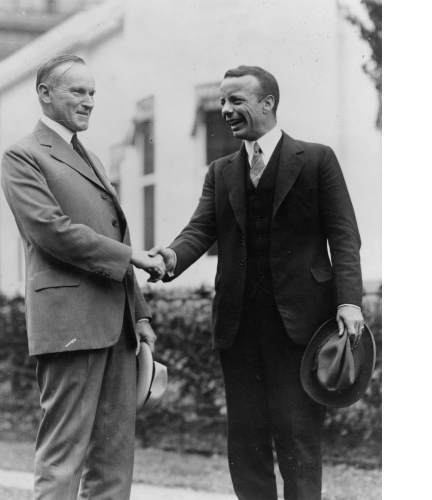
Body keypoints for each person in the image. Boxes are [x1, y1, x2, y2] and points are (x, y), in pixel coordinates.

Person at [149, 65, 364, 500]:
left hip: (301, 331)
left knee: (298, 439)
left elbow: (344, 237)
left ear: (268, 103)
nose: (225, 109)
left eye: (236, 100)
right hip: (239, 329)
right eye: (223, 101)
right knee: (245, 443)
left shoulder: (316, 159)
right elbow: (198, 231)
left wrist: (350, 302)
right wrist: (168, 257)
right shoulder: (221, 171)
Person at [0, 54, 164, 500]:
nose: (90, 101)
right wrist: (134, 257)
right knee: (63, 458)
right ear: (45, 94)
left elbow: (114, 230)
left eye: (93, 92)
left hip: (119, 330)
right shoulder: (23, 155)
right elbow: (52, 231)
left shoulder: (88, 155)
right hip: (70, 325)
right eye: (78, 91)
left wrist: (142, 317)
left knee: (114, 461)